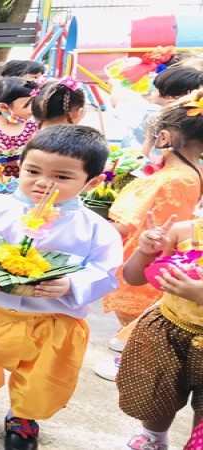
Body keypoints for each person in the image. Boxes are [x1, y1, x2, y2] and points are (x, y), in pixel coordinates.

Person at [0, 125, 122, 450]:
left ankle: (22, 415)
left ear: (92, 181)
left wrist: (72, 282)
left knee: (40, 376)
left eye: (62, 176)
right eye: (33, 171)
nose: (44, 182)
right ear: (22, 165)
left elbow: (107, 269)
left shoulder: (96, 230)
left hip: (50, 320)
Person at [96, 92, 203, 382]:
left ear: (163, 138)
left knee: (139, 318)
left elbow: (124, 224)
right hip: (174, 255)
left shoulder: (165, 179)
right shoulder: (194, 173)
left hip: (143, 254)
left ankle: (128, 362)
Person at [116, 208, 203, 450]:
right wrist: (146, 252)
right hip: (168, 330)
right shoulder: (184, 231)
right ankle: (154, 437)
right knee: (157, 392)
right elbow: (135, 278)